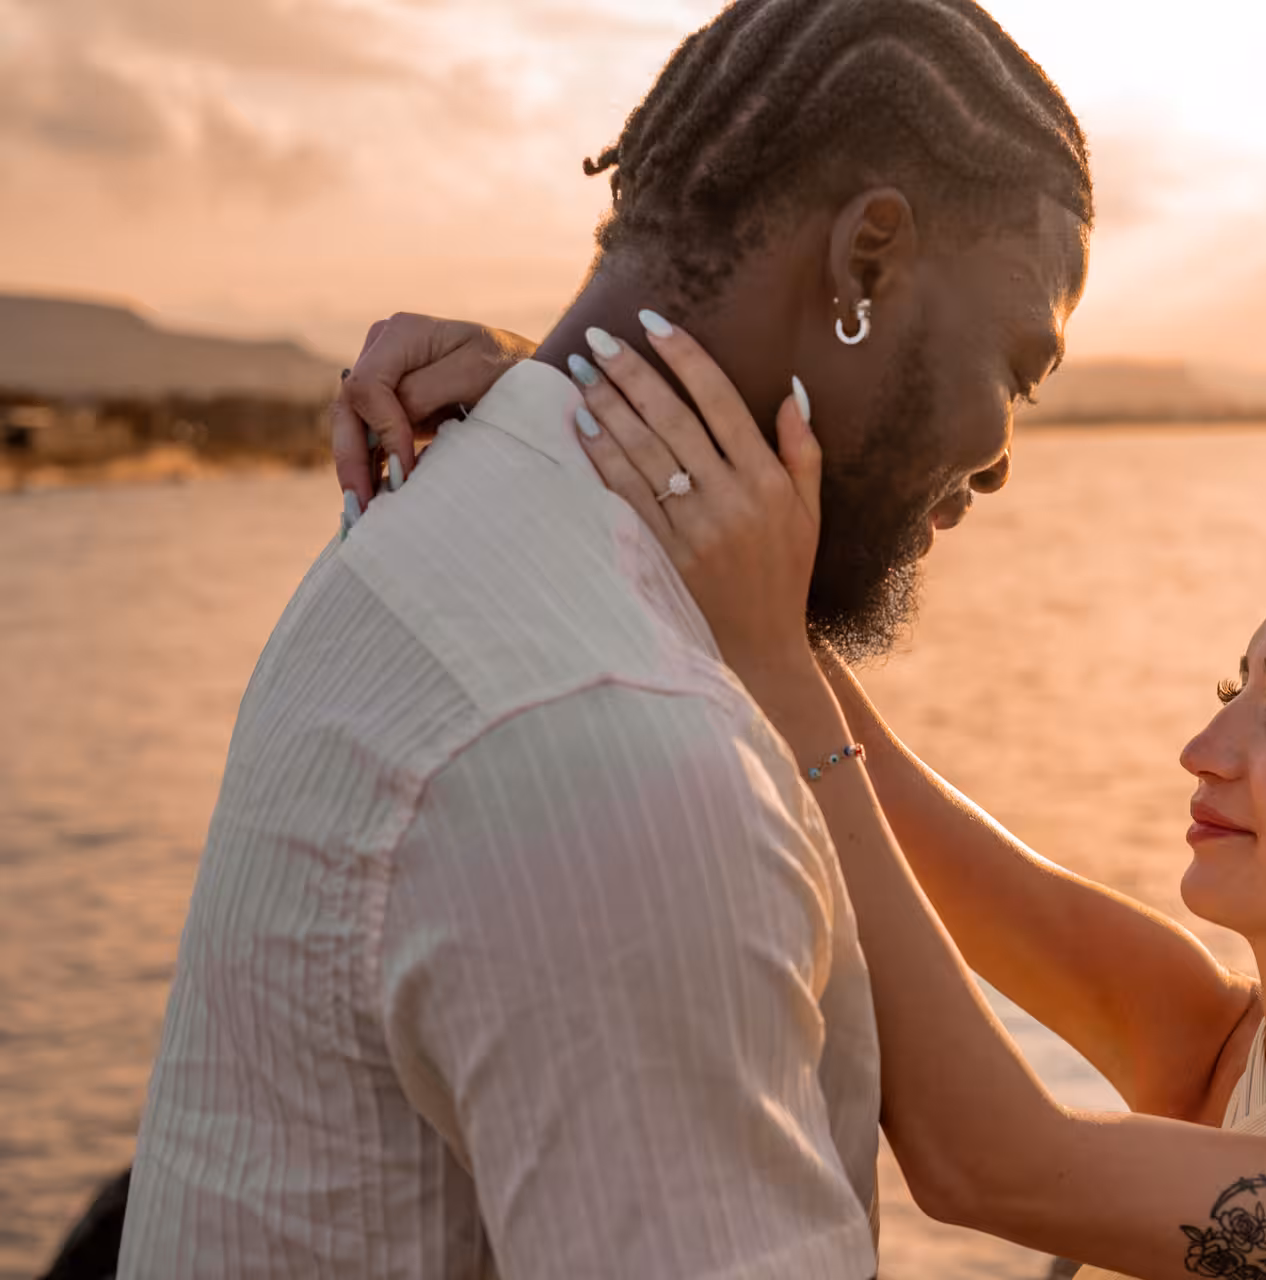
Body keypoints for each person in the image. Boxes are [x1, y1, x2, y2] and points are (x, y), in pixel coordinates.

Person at [326, 322, 1266, 1279]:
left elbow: (992, 1162)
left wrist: (769, 658)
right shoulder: (1207, 1045)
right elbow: (879, 789)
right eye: (1232, 690)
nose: (1205, 747)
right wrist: (561, 405)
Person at [115, 2, 1092, 1276]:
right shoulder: (625, 746)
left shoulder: (454, 517)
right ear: (866, 264)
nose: (1004, 454)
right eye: (1016, 367)